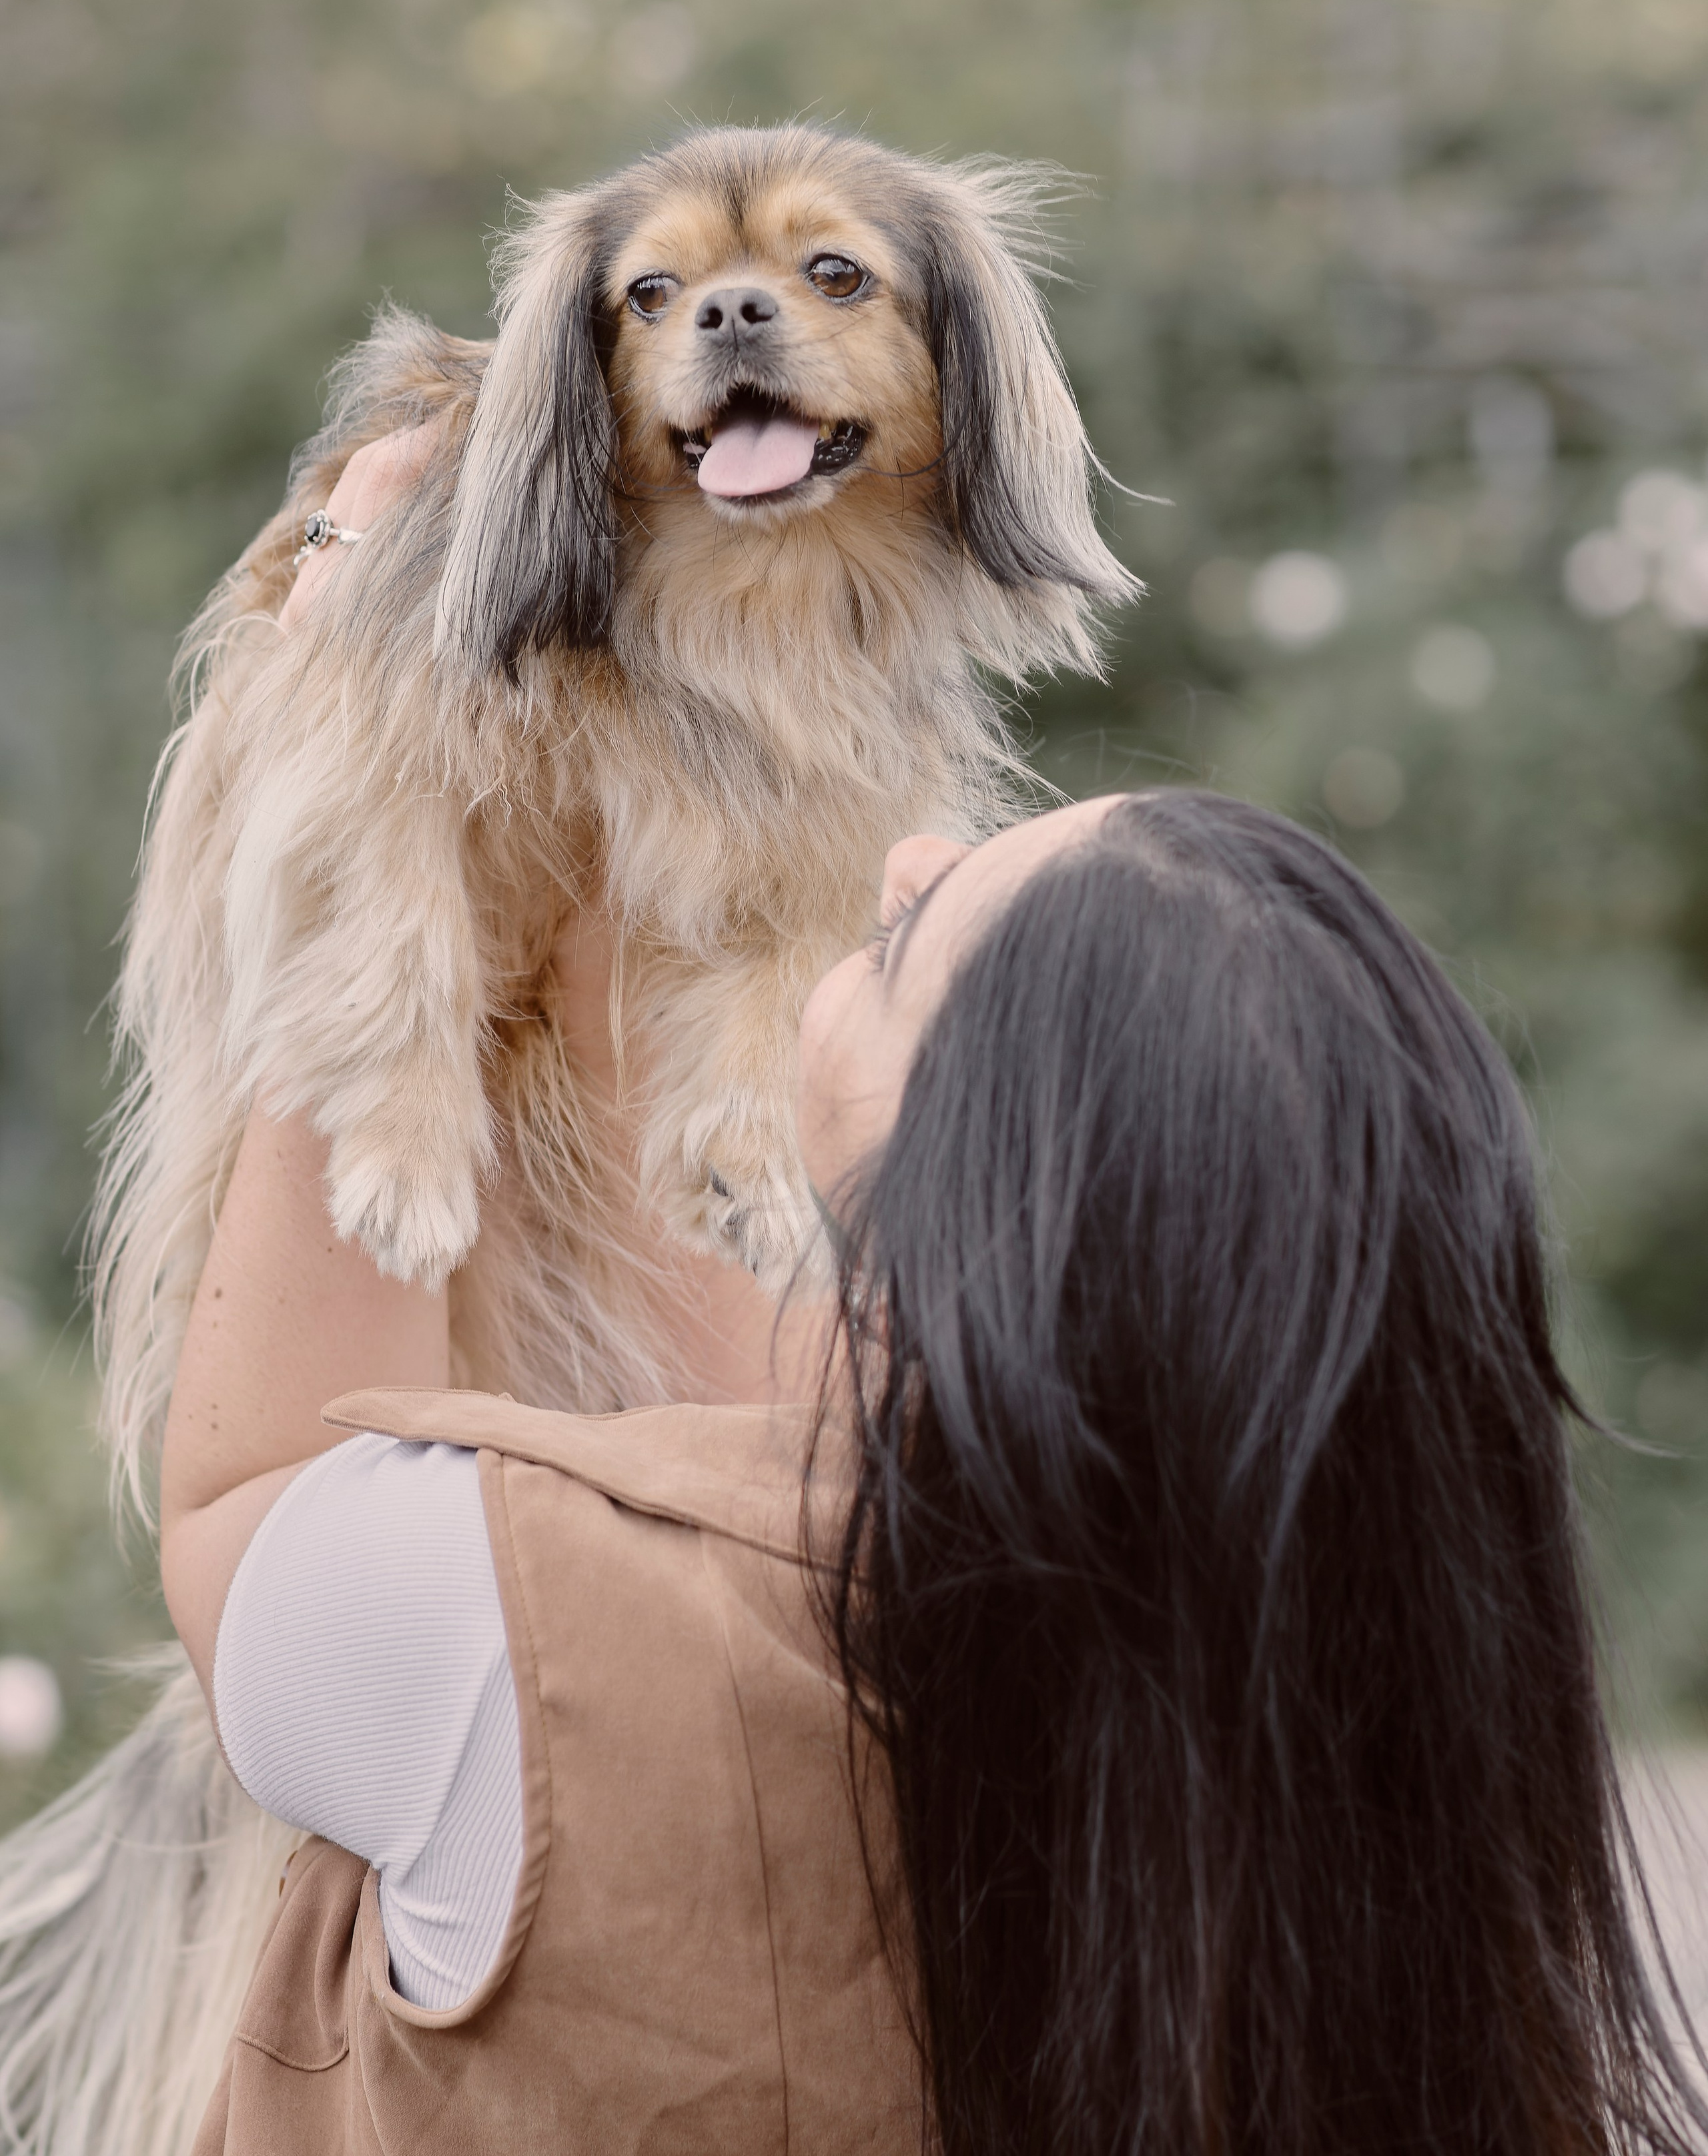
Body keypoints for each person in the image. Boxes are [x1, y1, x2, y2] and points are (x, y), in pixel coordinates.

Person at [161, 728, 1707, 2143]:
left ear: (981, 1205)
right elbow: (789, 1446)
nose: (910, 857)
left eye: (932, 935)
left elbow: (250, 1495)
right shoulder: (1372, 1752)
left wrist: (376, 802)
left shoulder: (506, 1627)